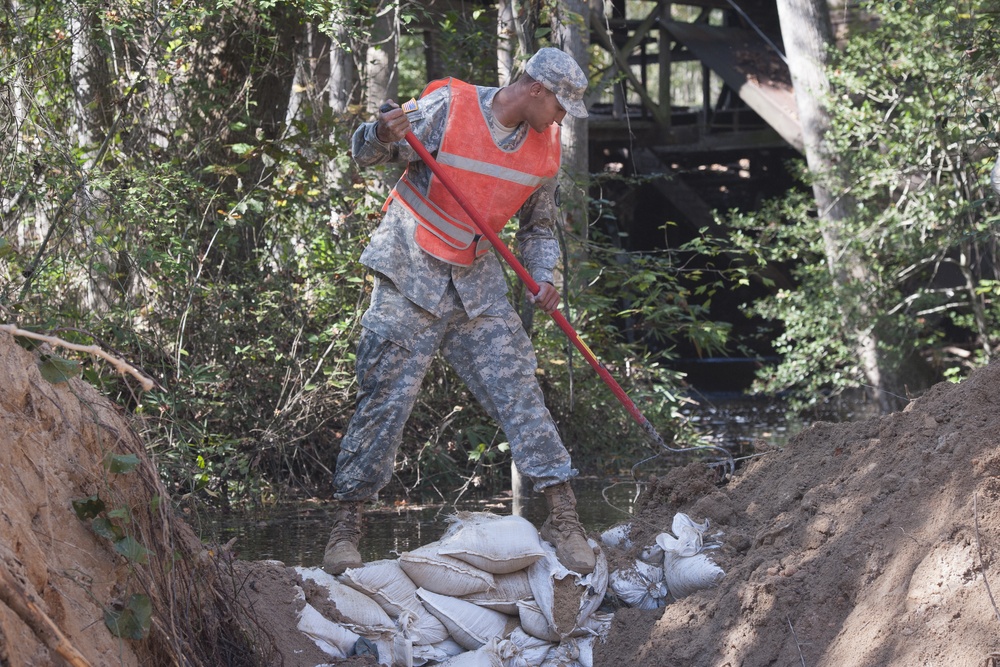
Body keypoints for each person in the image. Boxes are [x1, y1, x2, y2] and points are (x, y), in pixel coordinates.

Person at [323, 47, 596, 577]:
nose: (564, 117)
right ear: (536, 88)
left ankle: (565, 518)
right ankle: (346, 526)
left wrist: (545, 277)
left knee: (520, 392)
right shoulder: (450, 105)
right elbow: (367, 153)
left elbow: (540, 229)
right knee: (384, 402)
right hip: (409, 272)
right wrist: (382, 133)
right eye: (561, 105)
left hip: (476, 285)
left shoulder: (546, 149)